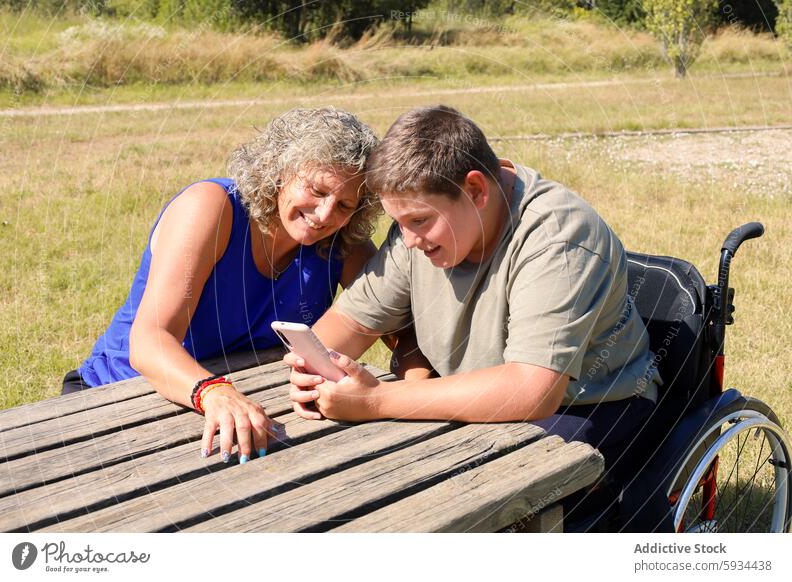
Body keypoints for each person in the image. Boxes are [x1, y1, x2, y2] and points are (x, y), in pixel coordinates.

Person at [284, 105, 663, 510]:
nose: (408, 240)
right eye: (400, 222)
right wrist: (315, 372)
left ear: (477, 190)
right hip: (477, 400)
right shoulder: (422, 223)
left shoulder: (559, 240)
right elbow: (349, 322)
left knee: (448, 503)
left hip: (591, 408)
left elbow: (532, 392)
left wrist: (376, 401)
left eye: (419, 221)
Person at [65, 107, 381, 465]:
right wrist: (215, 392)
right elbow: (150, 340)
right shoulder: (211, 208)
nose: (325, 214)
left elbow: (399, 323)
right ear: (280, 173)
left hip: (244, 402)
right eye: (316, 190)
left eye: (344, 204)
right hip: (117, 398)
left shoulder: (342, 239)